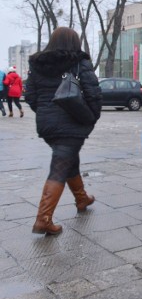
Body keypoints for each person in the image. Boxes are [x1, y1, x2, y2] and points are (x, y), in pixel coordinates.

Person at [24, 27, 102, 235]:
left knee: (67, 159)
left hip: (47, 126)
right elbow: (93, 92)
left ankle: (81, 198)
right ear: (74, 42)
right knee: (59, 166)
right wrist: (91, 116)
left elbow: (30, 95)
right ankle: (43, 219)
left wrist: (44, 113)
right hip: (73, 124)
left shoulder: (37, 64)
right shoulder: (79, 62)